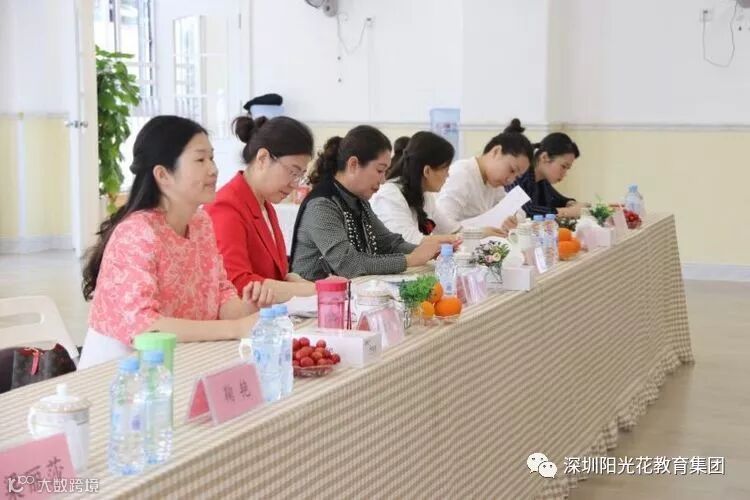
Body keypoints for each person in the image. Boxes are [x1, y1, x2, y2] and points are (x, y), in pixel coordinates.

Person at [78, 115, 272, 369]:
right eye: (200, 160)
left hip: (180, 361)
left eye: (212, 158)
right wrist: (235, 328)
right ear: (163, 175)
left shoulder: (201, 223)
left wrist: (246, 308)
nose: (213, 169)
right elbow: (145, 327)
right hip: (121, 371)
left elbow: (220, 295)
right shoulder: (136, 233)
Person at [289, 125, 453, 281]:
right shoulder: (321, 205)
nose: (383, 180)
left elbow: (389, 244)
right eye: (379, 170)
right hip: (311, 298)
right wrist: (411, 259)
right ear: (353, 164)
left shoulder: (358, 201)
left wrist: (428, 251)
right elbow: (348, 264)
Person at [206, 115, 316, 303]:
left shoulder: (265, 205)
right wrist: (315, 290)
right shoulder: (226, 207)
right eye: (292, 172)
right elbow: (238, 283)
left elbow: (275, 275)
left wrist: (297, 282)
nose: (295, 184)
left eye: (300, 175)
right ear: (263, 158)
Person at [436, 118, 533, 237]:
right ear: (496, 151)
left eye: (517, 176)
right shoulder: (462, 174)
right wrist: (479, 233)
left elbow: (518, 211)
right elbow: (442, 227)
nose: (510, 180)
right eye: (511, 170)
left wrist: (513, 219)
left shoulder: (493, 183)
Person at [371, 131, 458, 244]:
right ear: (427, 171)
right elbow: (408, 242)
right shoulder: (389, 195)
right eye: (445, 169)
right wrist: (449, 239)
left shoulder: (426, 196)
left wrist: (471, 234)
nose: (448, 175)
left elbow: (451, 230)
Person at [510, 132, 583, 217]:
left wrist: (571, 203)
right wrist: (566, 212)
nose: (565, 174)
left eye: (567, 168)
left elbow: (558, 199)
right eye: (563, 166)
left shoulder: (542, 180)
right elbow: (526, 210)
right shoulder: (519, 174)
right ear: (544, 157)